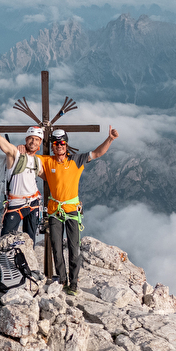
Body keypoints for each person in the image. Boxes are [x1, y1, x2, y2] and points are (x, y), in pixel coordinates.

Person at [39, 125, 118, 295]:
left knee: (74, 249)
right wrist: (22, 147)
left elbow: (97, 153)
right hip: (55, 211)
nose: (59, 146)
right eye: (56, 143)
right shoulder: (47, 161)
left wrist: (110, 139)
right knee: (56, 248)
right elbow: (28, 158)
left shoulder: (76, 160)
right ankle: (62, 279)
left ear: (66, 145)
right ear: (52, 145)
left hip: (72, 211)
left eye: (61, 143)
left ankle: (73, 283)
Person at [0, 102, 44, 246]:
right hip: (16, 204)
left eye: (36, 140)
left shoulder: (38, 162)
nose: (33, 141)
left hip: (34, 203)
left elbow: (51, 177)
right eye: (30, 138)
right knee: (5, 241)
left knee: (30, 241)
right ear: (26, 140)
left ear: (40, 144)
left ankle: (27, 265)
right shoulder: (15, 154)